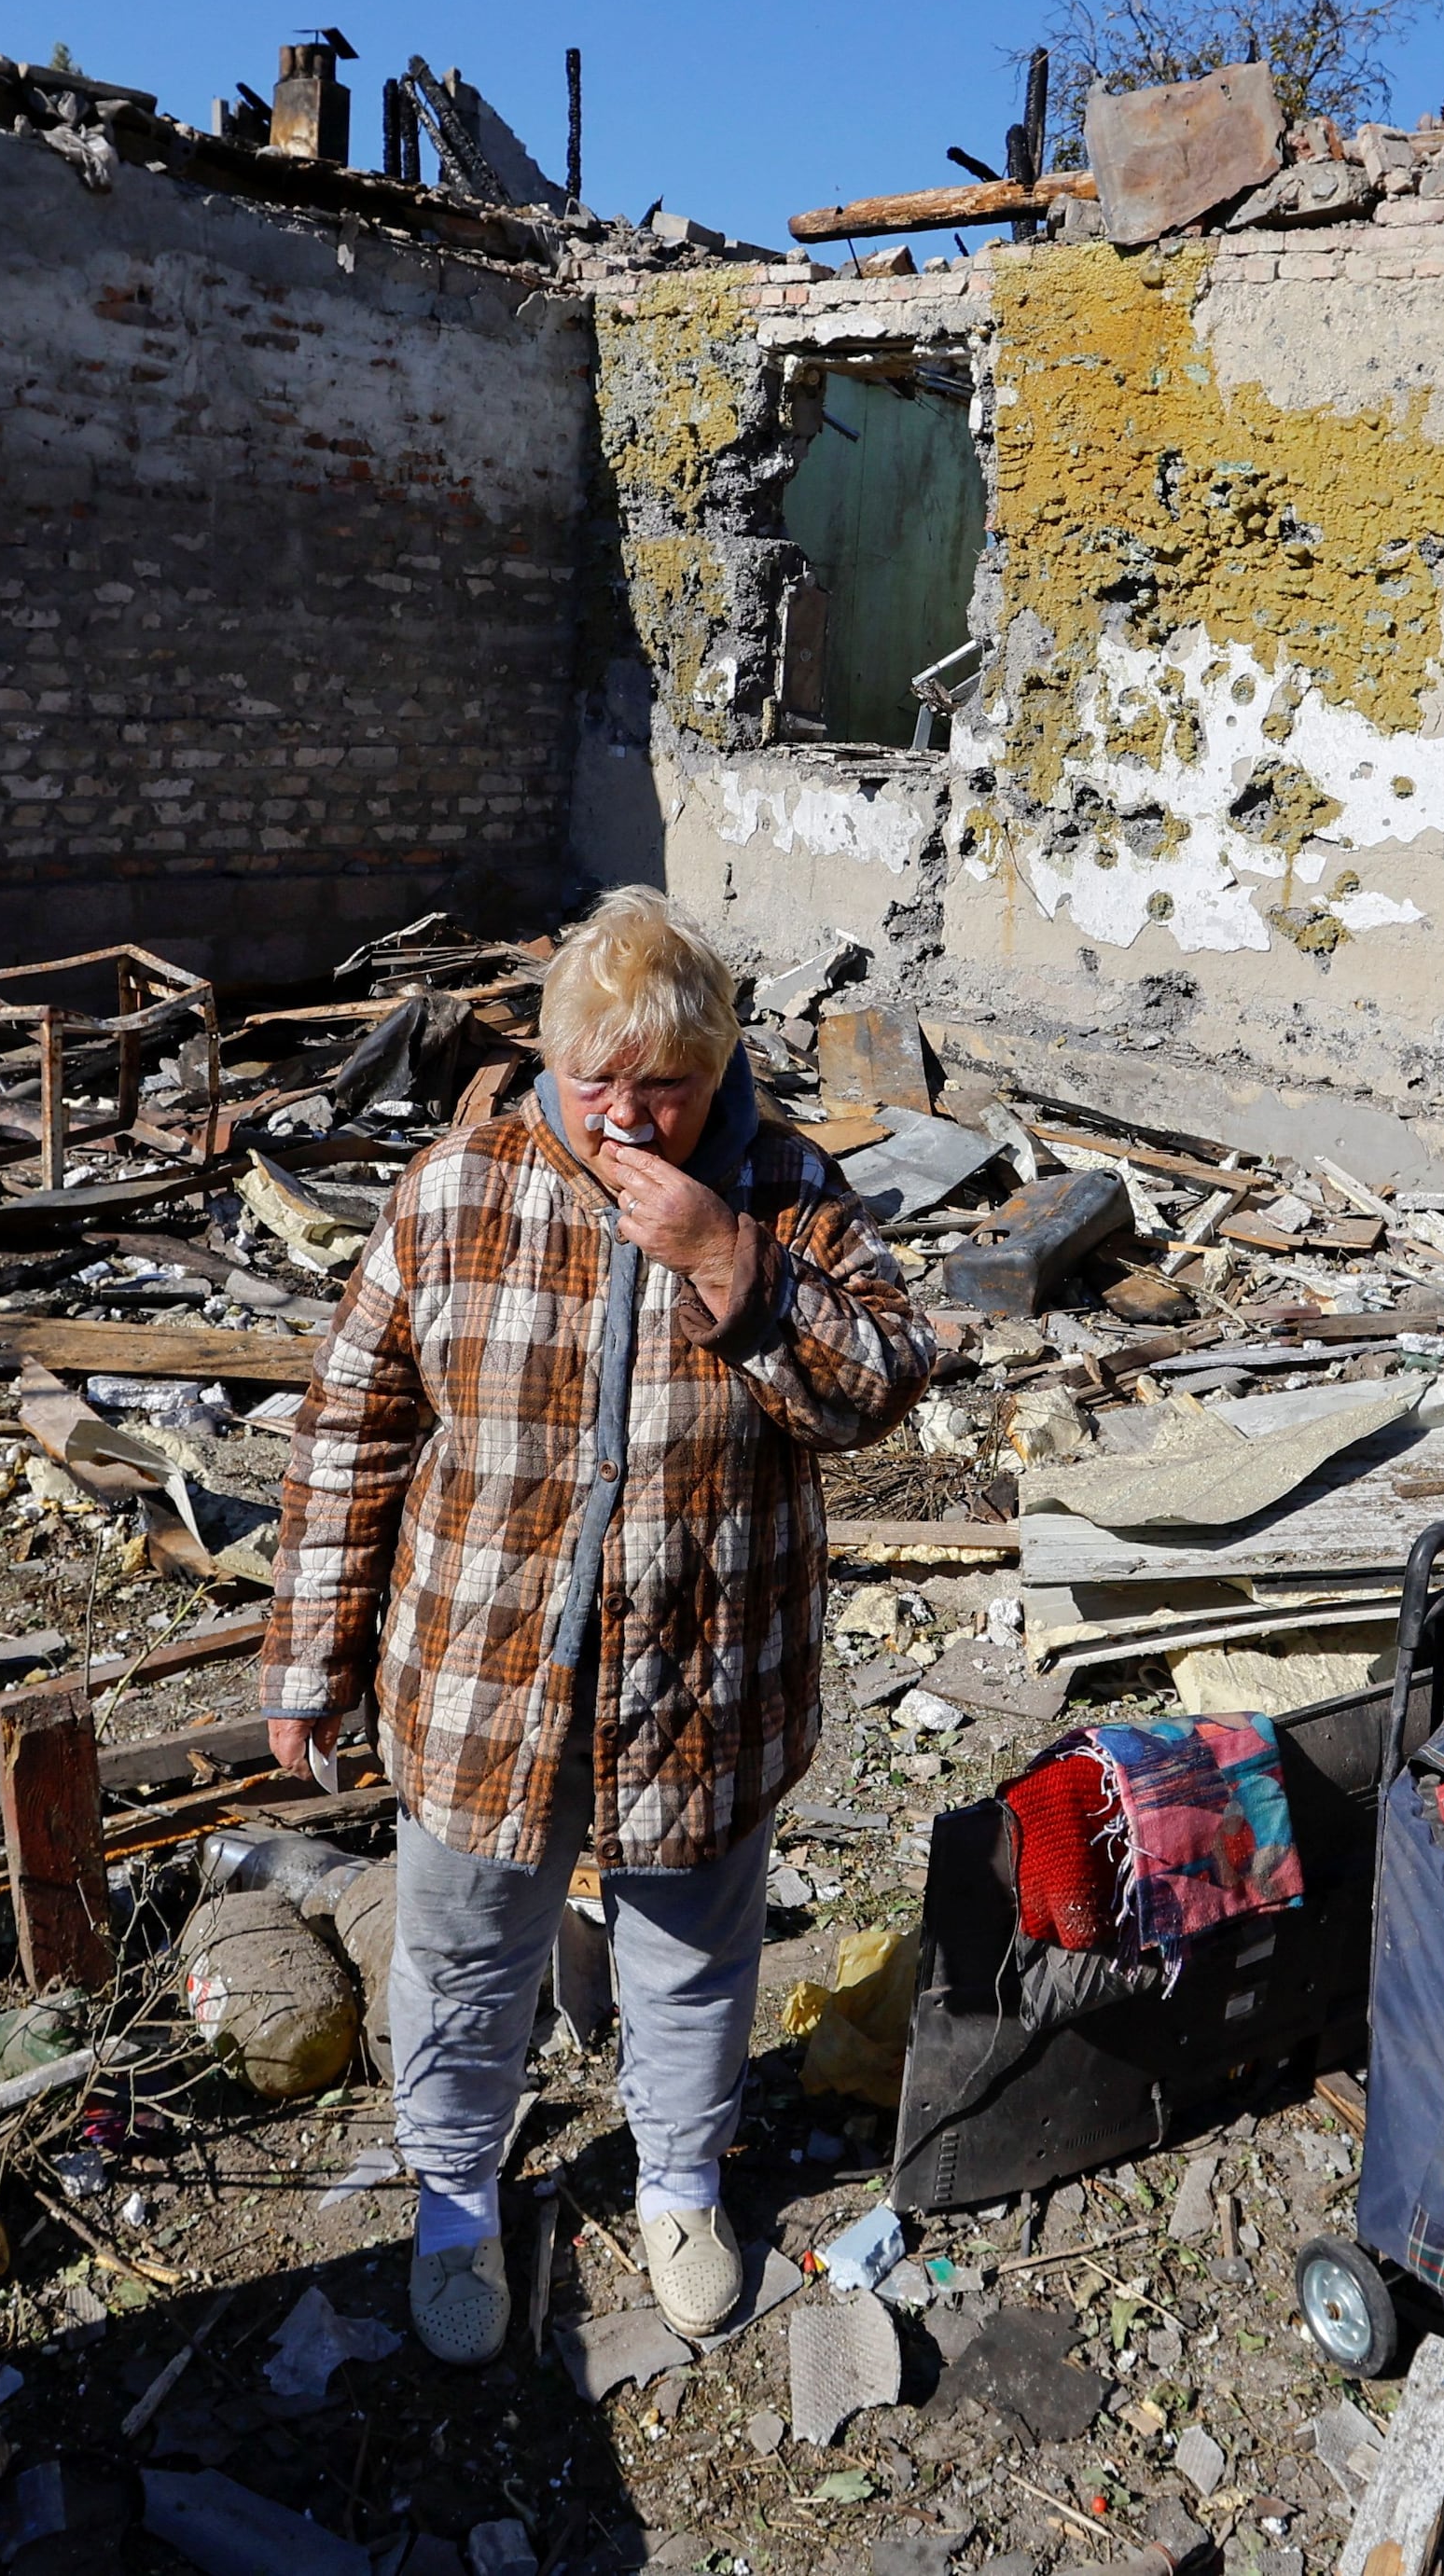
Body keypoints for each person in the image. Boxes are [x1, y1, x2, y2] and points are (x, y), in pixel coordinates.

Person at [263, 888, 939, 2364]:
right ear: (552, 1060)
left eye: (670, 1088)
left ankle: (683, 2184)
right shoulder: (456, 1190)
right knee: (462, 1946)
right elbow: (352, 1430)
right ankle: (453, 2195)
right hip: (481, 1675)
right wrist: (310, 1655)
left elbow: (883, 1381)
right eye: (600, 1084)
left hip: (699, 1677)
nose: (632, 1118)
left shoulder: (786, 1190)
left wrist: (727, 1259)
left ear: (721, 1071)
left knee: (693, 1951)